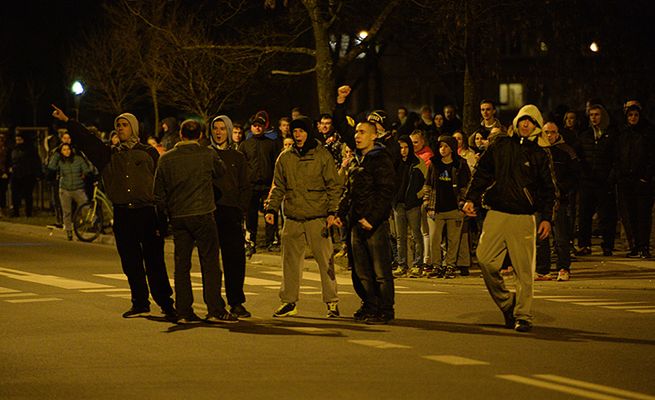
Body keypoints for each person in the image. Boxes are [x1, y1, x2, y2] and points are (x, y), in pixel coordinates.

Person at [51, 104, 176, 321]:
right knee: (130, 261)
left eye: (124, 124)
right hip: (123, 214)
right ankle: (139, 302)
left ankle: (166, 303)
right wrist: (68, 121)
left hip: (147, 213)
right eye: (117, 125)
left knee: (154, 261)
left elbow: (162, 182)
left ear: (134, 127)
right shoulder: (108, 154)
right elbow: (87, 140)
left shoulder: (149, 153)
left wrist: (163, 213)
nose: (120, 128)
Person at [462, 104, 557, 332]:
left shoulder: (540, 153)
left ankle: (523, 315)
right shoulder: (501, 144)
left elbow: (549, 189)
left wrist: (546, 218)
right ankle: (507, 303)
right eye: (524, 120)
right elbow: (482, 172)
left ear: (537, 126)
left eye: (531, 122)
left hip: (523, 217)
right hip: (497, 212)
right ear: (516, 121)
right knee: (484, 259)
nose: (526, 125)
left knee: (524, 271)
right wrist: (470, 198)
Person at [153, 119, 235, 324]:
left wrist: (165, 215)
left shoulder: (166, 159)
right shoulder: (207, 154)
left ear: (181, 134)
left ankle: (183, 310)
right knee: (210, 263)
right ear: (199, 135)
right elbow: (221, 171)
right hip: (203, 212)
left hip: (179, 215)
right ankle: (215, 308)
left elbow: (158, 192)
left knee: (182, 265)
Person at [265, 116, 342, 318]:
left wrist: (332, 212)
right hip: (293, 217)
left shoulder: (322, 156)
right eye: (295, 131)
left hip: (318, 217)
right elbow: (278, 186)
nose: (298, 135)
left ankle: (332, 302)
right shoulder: (285, 157)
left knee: (325, 262)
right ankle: (289, 302)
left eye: (301, 131)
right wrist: (271, 209)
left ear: (309, 132)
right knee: (289, 263)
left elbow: (334, 186)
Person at [334, 120, 396, 324]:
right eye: (356, 133)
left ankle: (385, 310)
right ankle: (370, 305)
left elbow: (386, 192)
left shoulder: (380, 159)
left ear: (374, 135)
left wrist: (372, 218)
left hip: (374, 224)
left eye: (362, 132)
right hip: (355, 222)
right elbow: (349, 191)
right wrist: (339, 213)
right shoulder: (356, 160)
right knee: (361, 271)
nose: (357, 136)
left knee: (380, 271)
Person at [209, 115, 253, 318]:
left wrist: (240, 208)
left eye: (222, 128)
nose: (218, 132)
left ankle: (236, 301)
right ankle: (214, 303)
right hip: (209, 212)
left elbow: (245, 185)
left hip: (231, 212)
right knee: (210, 262)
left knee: (234, 260)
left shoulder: (237, 157)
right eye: (215, 128)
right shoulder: (205, 155)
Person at [536, 122, 580, 281]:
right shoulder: (538, 151)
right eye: (546, 132)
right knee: (541, 237)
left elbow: (575, 176)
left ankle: (563, 267)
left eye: (552, 132)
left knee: (561, 236)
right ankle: (542, 269)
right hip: (541, 201)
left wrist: (562, 189)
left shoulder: (566, 151)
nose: (549, 135)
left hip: (560, 200)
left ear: (557, 133)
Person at [423, 135, 471, 279]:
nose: (442, 149)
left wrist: (463, 204)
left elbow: (466, 186)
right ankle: (437, 266)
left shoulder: (460, 164)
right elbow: (428, 185)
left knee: (453, 240)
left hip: (454, 208)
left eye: (445, 146)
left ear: (452, 148)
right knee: (435, 239)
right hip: (436, 208)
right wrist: (427, 204)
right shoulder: (434, 164)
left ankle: (450, 265)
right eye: (440, 146)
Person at [574, 103, 618, 256]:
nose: (594, 117)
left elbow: (615, 158)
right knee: (584, 215)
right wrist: (582, 174)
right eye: (591, 115)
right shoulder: (585, 135)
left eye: (597, 114)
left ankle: (607, 245)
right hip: (587, 181)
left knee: (607, 216)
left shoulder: (611, 135)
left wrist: (610, 178)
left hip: (604, 181)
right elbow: (578, 156)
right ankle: (584, 244)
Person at [615, 101, 654, 259]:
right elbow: (617, 155)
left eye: (636, 115)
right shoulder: (623, 133)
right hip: (626, 180)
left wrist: (646, 177)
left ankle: (644, 246)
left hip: (642, 181)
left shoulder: (648, 133)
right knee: (630, 216)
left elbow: (651, 156)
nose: (633, 118)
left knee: (643, 215)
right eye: (630, 115)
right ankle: (635, 245)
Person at [239, 113, 282, 255]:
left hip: (267, 185)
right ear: (251, 127)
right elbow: (242, 165)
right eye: (255, 126)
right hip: (250, 185)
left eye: (260, 126)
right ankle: (250, 241)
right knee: (250, 215)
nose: (257, 128)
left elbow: (275, 163)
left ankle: (272, 241)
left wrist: (274, 183)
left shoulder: (271, 144)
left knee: (270, 213)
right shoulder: (245, 145)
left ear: (264, 127)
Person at [392, 135, 427, 277]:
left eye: (406, 147)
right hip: (398, 204)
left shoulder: (418, 163)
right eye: (401, 147)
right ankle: (402, 265)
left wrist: (417, 196)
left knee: (416, 235)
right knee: (400, 237)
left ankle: (417, 265)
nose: (404, 150)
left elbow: (426, 182)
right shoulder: (394, 163)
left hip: (413, 204)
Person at [47, 143, 93, 240]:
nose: (66, 151)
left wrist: (86, 173)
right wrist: (55, 156)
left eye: (68, 149)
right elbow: (51, 168)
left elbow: (86, 170)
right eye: (64, 150)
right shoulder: (59, 161)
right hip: (65, 189)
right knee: (67, 212)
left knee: (85, 206)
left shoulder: (78, 159)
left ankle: (91, 225)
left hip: (78, 188)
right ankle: (69, 231)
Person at [9, 133, 42, 218]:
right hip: (16, 175)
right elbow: (10, 160)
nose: (18, 142)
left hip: (28, 175)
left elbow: (36, 162)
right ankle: (16, 212)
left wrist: (37, 174)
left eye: (20, 140)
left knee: (28, 195)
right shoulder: (14, 149)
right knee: (15, 195)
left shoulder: (31, 150)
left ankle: (28, 212)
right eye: (17, 140)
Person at [0, 131, 10, 218]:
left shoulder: (6, 149)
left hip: (3, 173)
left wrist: (5, 172)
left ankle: (3, 210)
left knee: (2, 192)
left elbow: (7, 162)